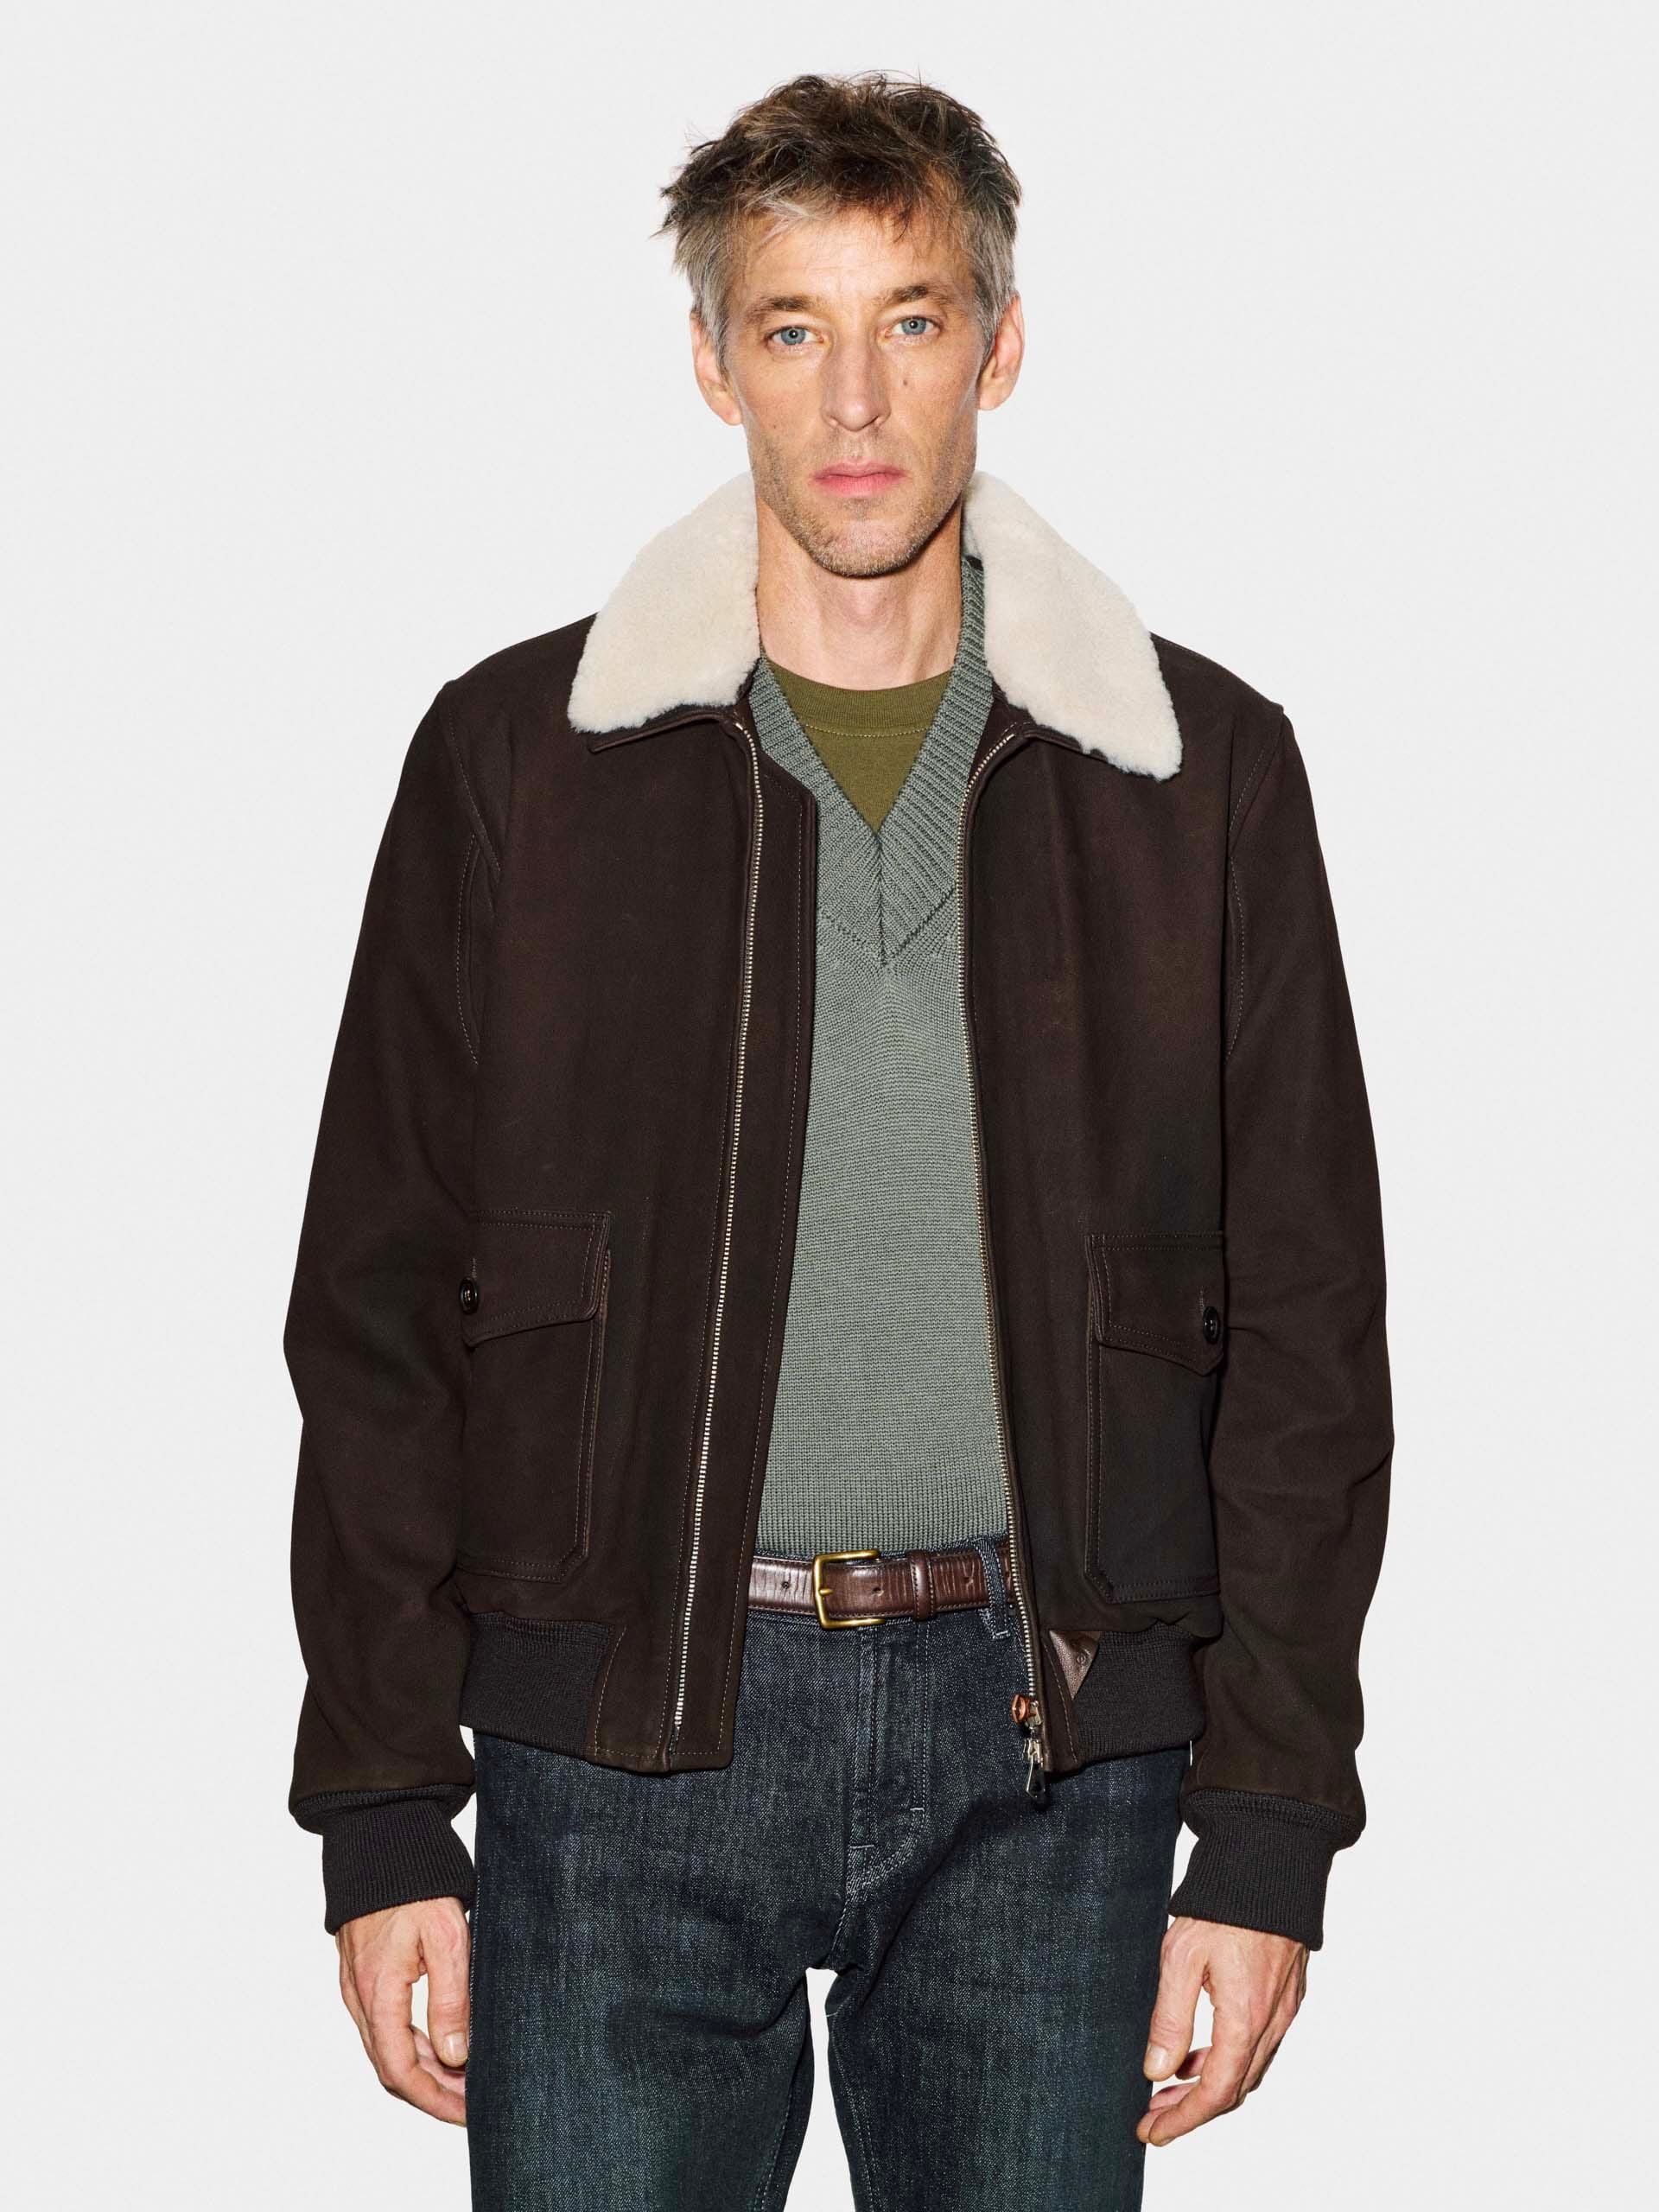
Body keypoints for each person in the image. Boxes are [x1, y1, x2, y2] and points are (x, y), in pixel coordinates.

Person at [284, 68, 1393, 2211]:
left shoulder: (1197, 773)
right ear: (715, 362)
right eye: (794, 326)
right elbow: (380, 1297)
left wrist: (1268, 1823)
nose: (857, 397)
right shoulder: (523, 760)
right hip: (618, 1731)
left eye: (912, 317)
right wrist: (385, 1798)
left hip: (1049, 1750)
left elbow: (1307, 1329)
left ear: (1001, 342)